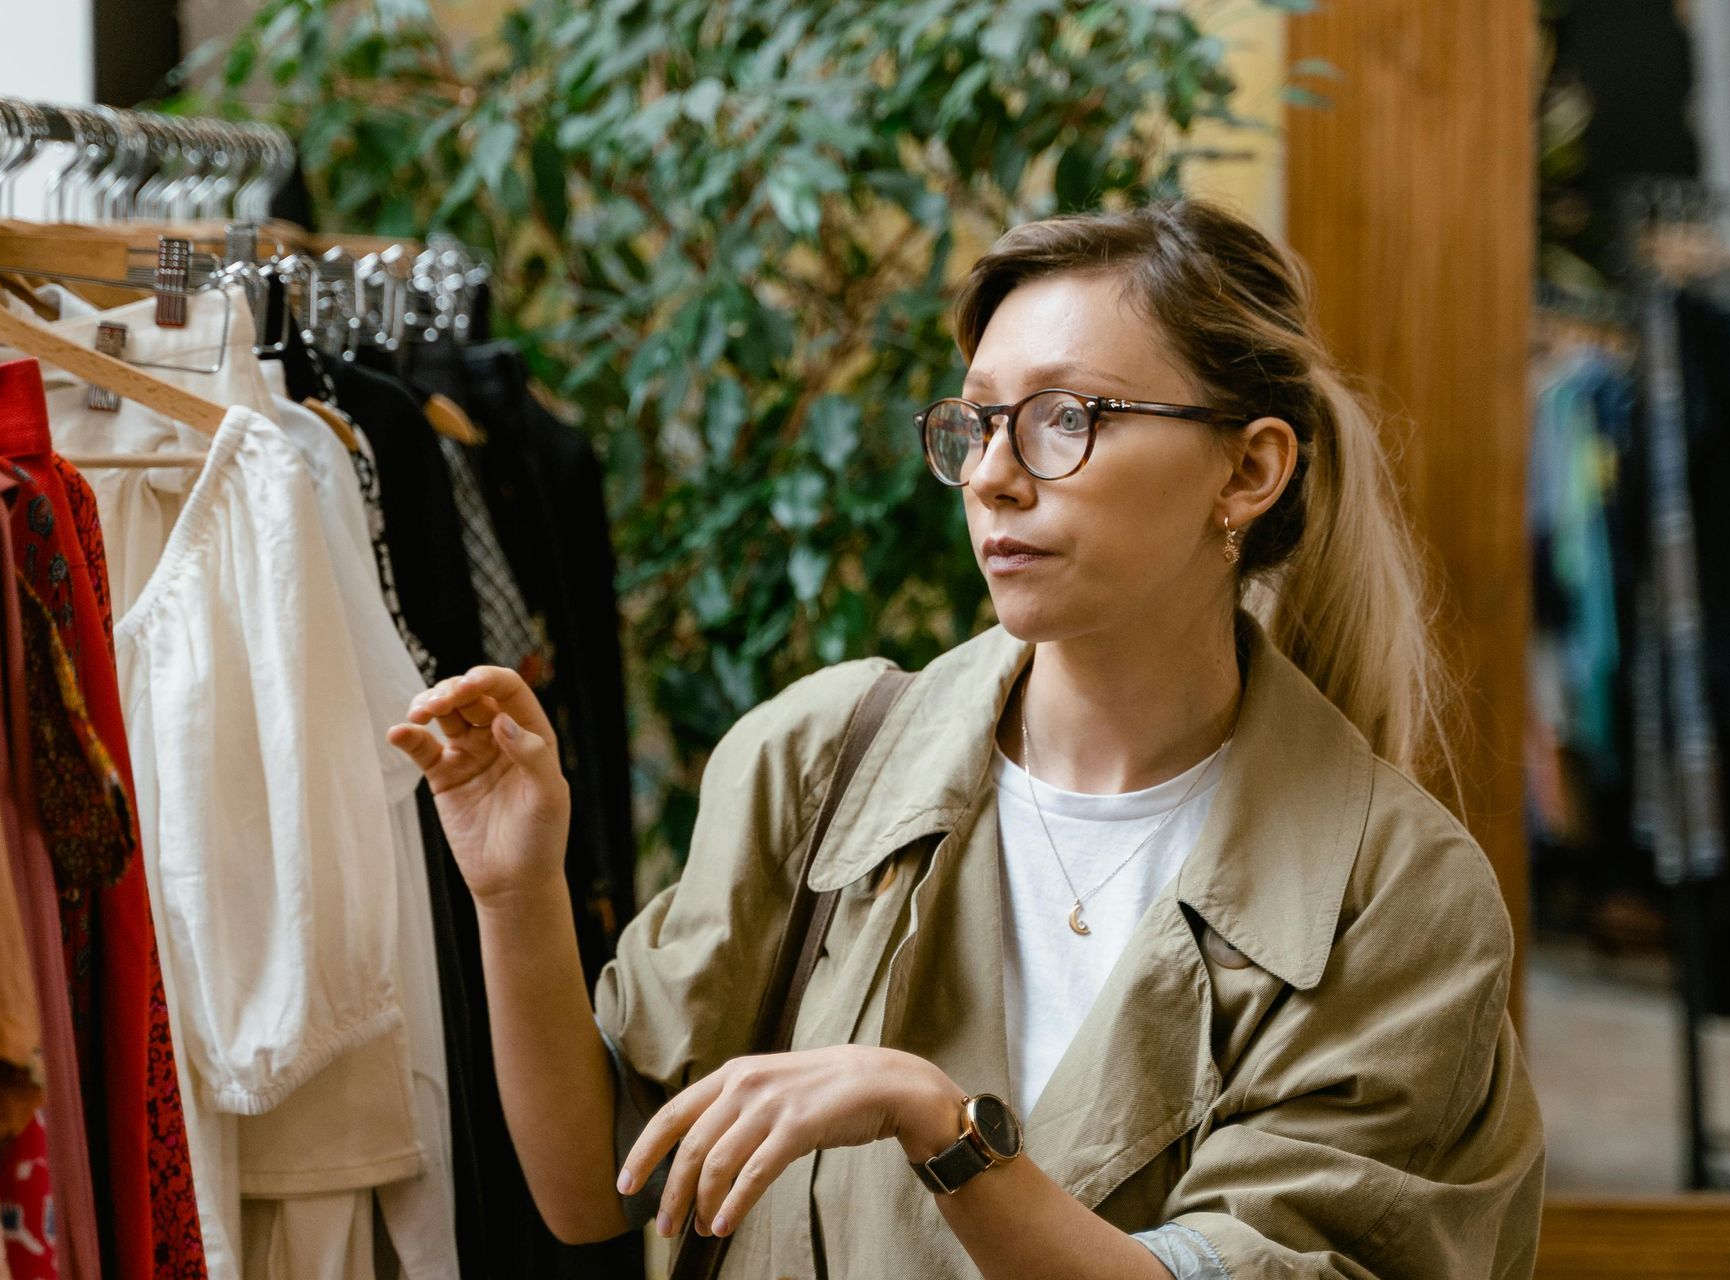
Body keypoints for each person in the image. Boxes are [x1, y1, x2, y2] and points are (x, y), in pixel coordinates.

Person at [387, 199, 1546, 1278]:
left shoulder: (1393, 895)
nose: (992, 476)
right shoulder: (821, 758)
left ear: (1248, 468)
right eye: (978, 421)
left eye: (1064, 420)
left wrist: (940, 1126)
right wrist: (516, 884)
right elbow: (597, 1183)